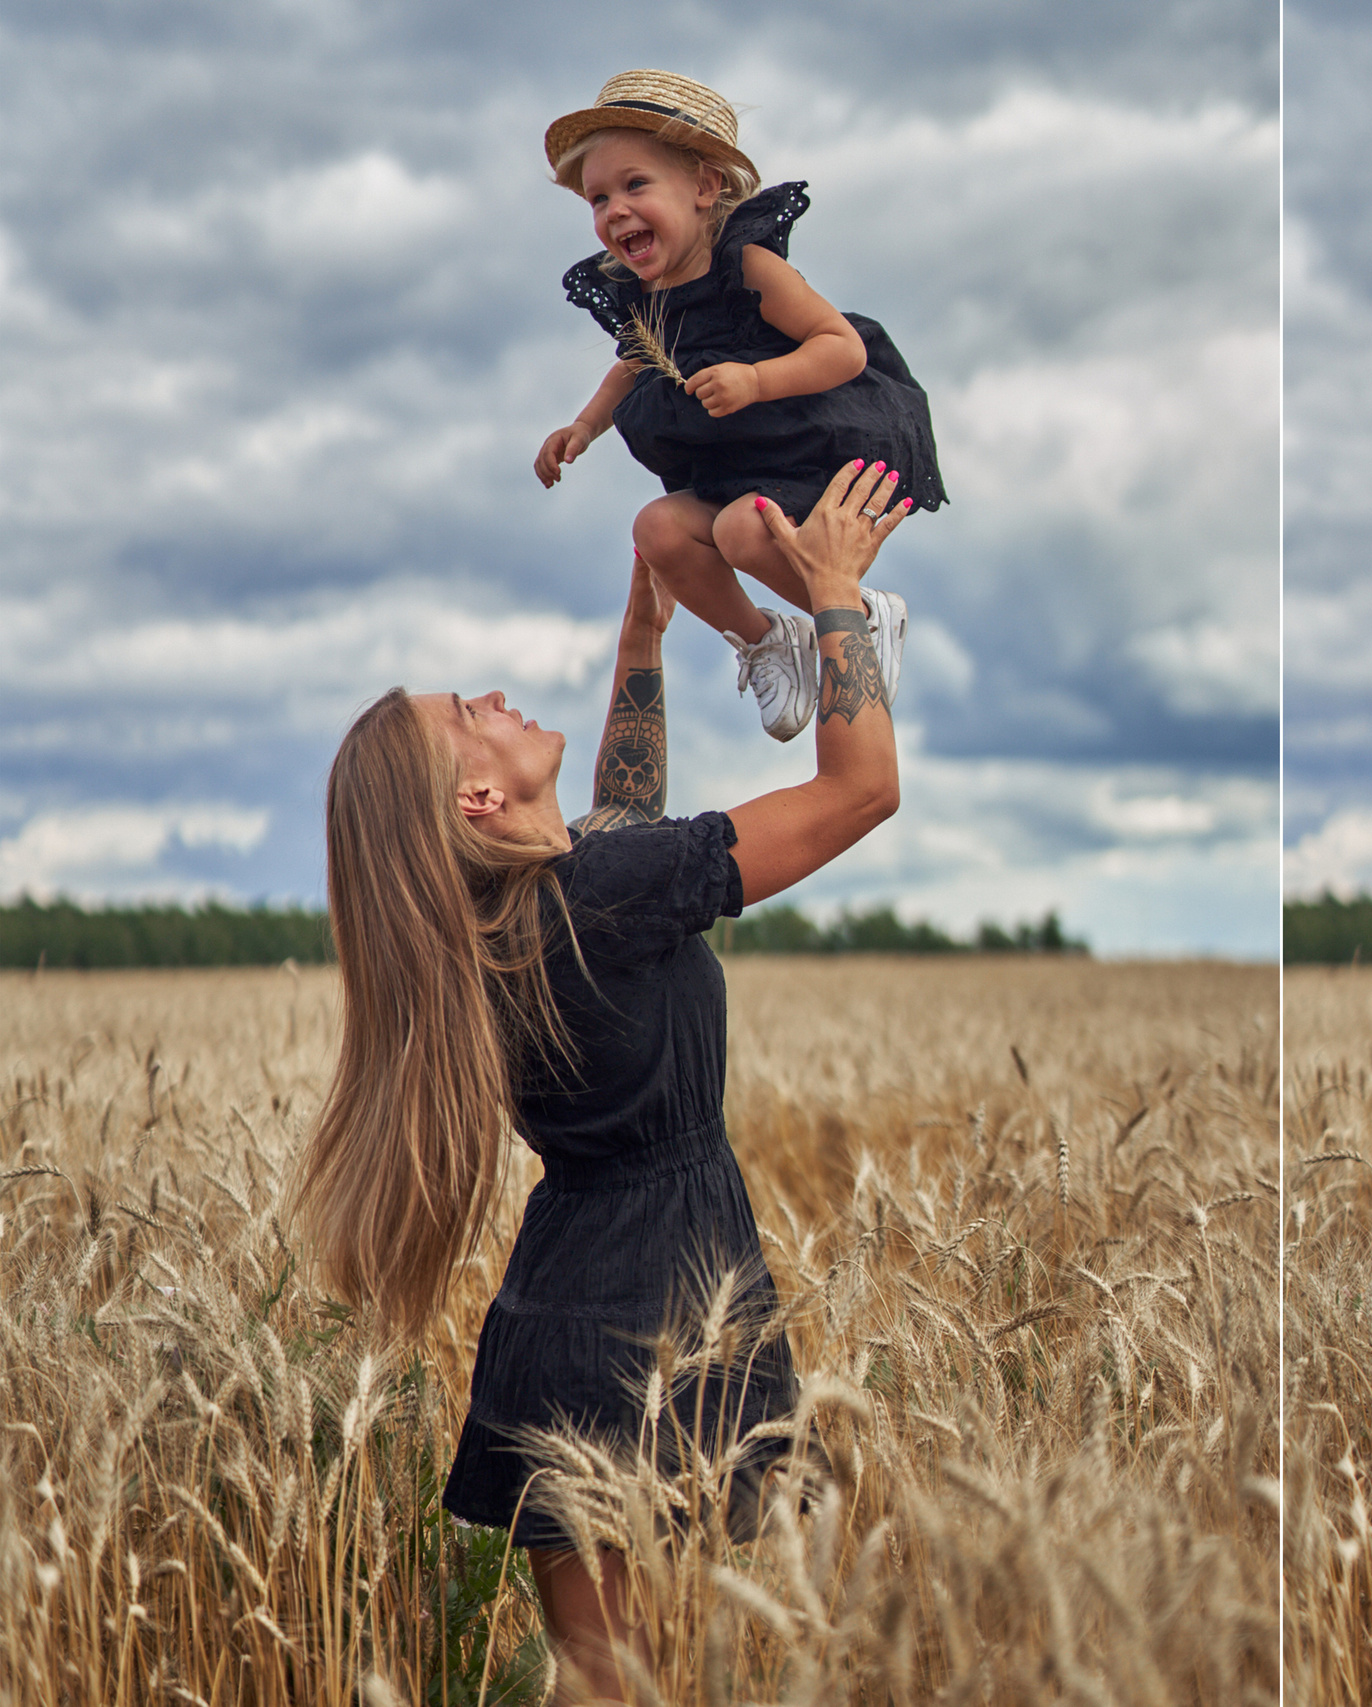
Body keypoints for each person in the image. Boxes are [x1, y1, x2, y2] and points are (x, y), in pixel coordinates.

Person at [295, 462, 908, 1700]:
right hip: (658, 1302)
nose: (495, 695)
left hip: (571, 1312)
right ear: (478, 796)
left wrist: (645, 634)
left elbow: (620, 822)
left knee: (604, 1683)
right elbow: (861, 790)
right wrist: (838, 595)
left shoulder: (503, 927)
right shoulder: (592, 901)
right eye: (469, 711)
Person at [534, 69, 946, 742]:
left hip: (808, 451)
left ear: (703, 186)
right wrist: (583, 426)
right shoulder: (643, 294)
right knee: (656, 530)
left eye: (635, 185)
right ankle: (769, 643)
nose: (614, 211)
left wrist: (756, 381)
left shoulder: (746, 266)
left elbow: (842, 348)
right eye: (598, 198)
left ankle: (862, 614)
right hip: (734, 470)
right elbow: (632, 367)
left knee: (741, 532)